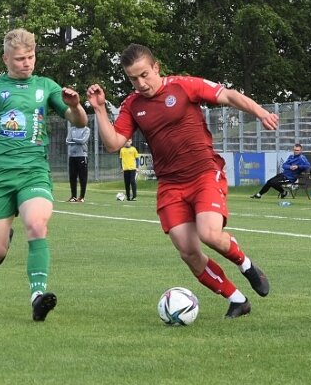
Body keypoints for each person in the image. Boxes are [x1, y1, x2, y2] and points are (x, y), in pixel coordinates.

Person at [87, 43, 278, 319]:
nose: (140, 83)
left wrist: (259, 112)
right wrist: (100, 110)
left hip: (203, 173)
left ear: (156, 68)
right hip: (170, 184)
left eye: (144, 75)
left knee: (209, 233)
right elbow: (113, 143)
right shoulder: (132, 105)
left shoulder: (183, 86)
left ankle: (247, 265)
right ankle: (237, 300)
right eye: (133, 78)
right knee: (188, 251)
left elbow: (229, 95)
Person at [0, 28, 88, 322]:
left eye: (30, 57)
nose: (26, 63)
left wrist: (76, 106)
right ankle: (5, 233)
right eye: (19, 59)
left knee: (36, 223)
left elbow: (78, 121)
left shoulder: (46, 86)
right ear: (6, 58)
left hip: (34, 172)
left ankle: (37, 296)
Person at [66, 121, 90, 202]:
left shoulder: (86, 130)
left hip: (82, 156)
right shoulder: (71, 129)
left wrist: (73, 140)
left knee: (82, 177)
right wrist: (76, 141)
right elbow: (67, 141)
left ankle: (82, 197)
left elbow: (83, 141)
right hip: (72, 156)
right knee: (72, 177)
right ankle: (73, 196)